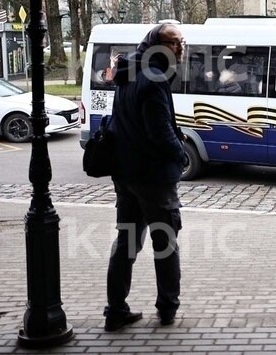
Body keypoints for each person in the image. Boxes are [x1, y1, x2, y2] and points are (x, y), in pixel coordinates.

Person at [104, 23, 186, 332]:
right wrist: (180, 153)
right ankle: (167, 309)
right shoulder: (154, 79)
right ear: (156, 46)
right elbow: (159, 131)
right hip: (153, 179)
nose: (179, 49)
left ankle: (115, 310)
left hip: (126, 175)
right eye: (173, 43)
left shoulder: (128, 73)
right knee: (165, 245)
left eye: (181, 43)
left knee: (126, 243)